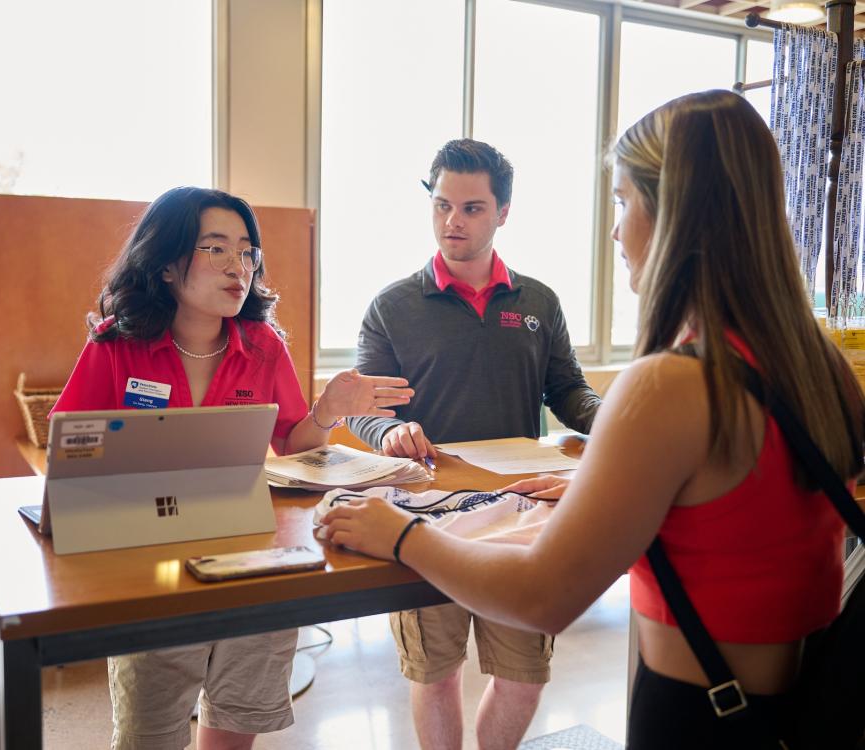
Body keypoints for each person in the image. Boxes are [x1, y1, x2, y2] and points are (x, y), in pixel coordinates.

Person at [323, 91, 865, 749]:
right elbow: (737, 514)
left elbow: (542, 595)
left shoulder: (670, 385)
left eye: (621, 202)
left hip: (700, 717)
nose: (614, 231)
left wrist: (400, 533)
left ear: (674, 213)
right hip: (811, 708)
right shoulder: (826, 368)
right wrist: (604, 480)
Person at [52, 186, 413, 750]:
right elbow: (68, 453)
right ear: (169, 264)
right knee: (149, 734)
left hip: (252, 558)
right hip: (153, 568)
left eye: (247, 252)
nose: (238, 267)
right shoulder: (116, 346)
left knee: (236, 726)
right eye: (215, 249)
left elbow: (294, 447)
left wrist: (327, 413)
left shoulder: (263, 343)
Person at [346, 139, 602, 750]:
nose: (452, 222)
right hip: (424, 515)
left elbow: (569, 391)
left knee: (523, 678)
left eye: (471, 209)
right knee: (435, 674)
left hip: (518, 514)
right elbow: (364, 413)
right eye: (441, 206)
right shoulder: (391, 307)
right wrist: (390, 430)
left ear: (503, 212)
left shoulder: (538, 302)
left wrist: (617, 419)